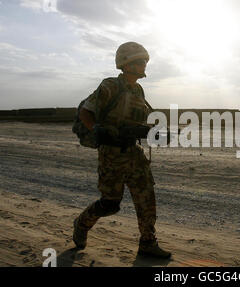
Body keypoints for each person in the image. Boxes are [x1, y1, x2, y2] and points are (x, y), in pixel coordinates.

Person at [72, 42, 171, 259]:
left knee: (146, 197)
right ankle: (81, 223)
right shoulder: (110, 86)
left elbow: (136, 123)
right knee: (109, 204)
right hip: (111, 154)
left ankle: (147, 242)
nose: (143, 64)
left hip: (133, 154)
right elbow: (86, 113)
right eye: (138, 61)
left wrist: (154, 133)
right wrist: (97, 129)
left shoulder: (138, 90)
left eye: (145, 61)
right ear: (125, 64)